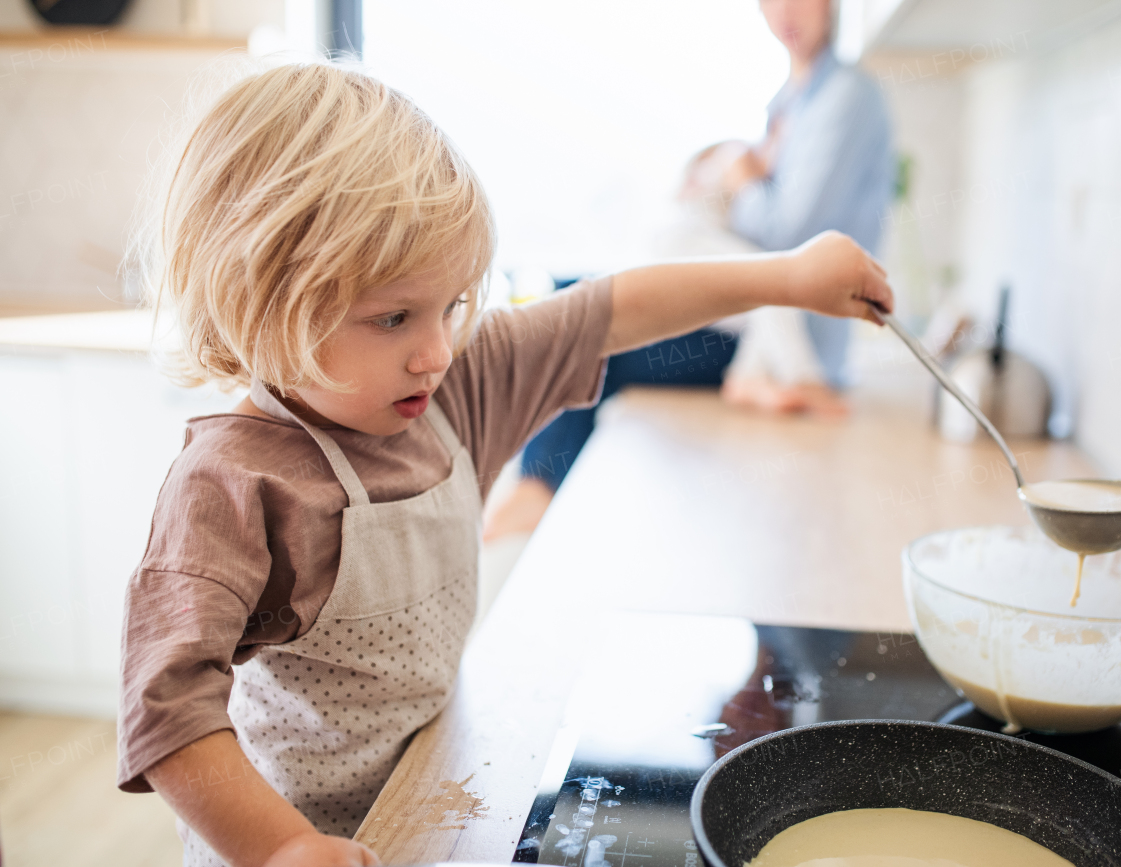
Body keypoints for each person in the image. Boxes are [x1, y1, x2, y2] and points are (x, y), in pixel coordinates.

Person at [116, 63, 892, 867]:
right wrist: (282, 848)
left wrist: (786, 277)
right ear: (258, 298)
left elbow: (612, 307)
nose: (435, 349)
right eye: (392, 317)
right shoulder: (233, 483)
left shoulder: (456, 391)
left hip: (429, 812)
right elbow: (165, 707)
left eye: (451, 305)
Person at [485, 0, 893, 539]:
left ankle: (535, 490)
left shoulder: (846, 97)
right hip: (753, 333)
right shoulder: (789, 103)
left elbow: (795, 245)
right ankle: (531, 486)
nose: (786, 10)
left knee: (590, 341)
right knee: (574, 301)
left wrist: (742, 178)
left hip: (792, 348)